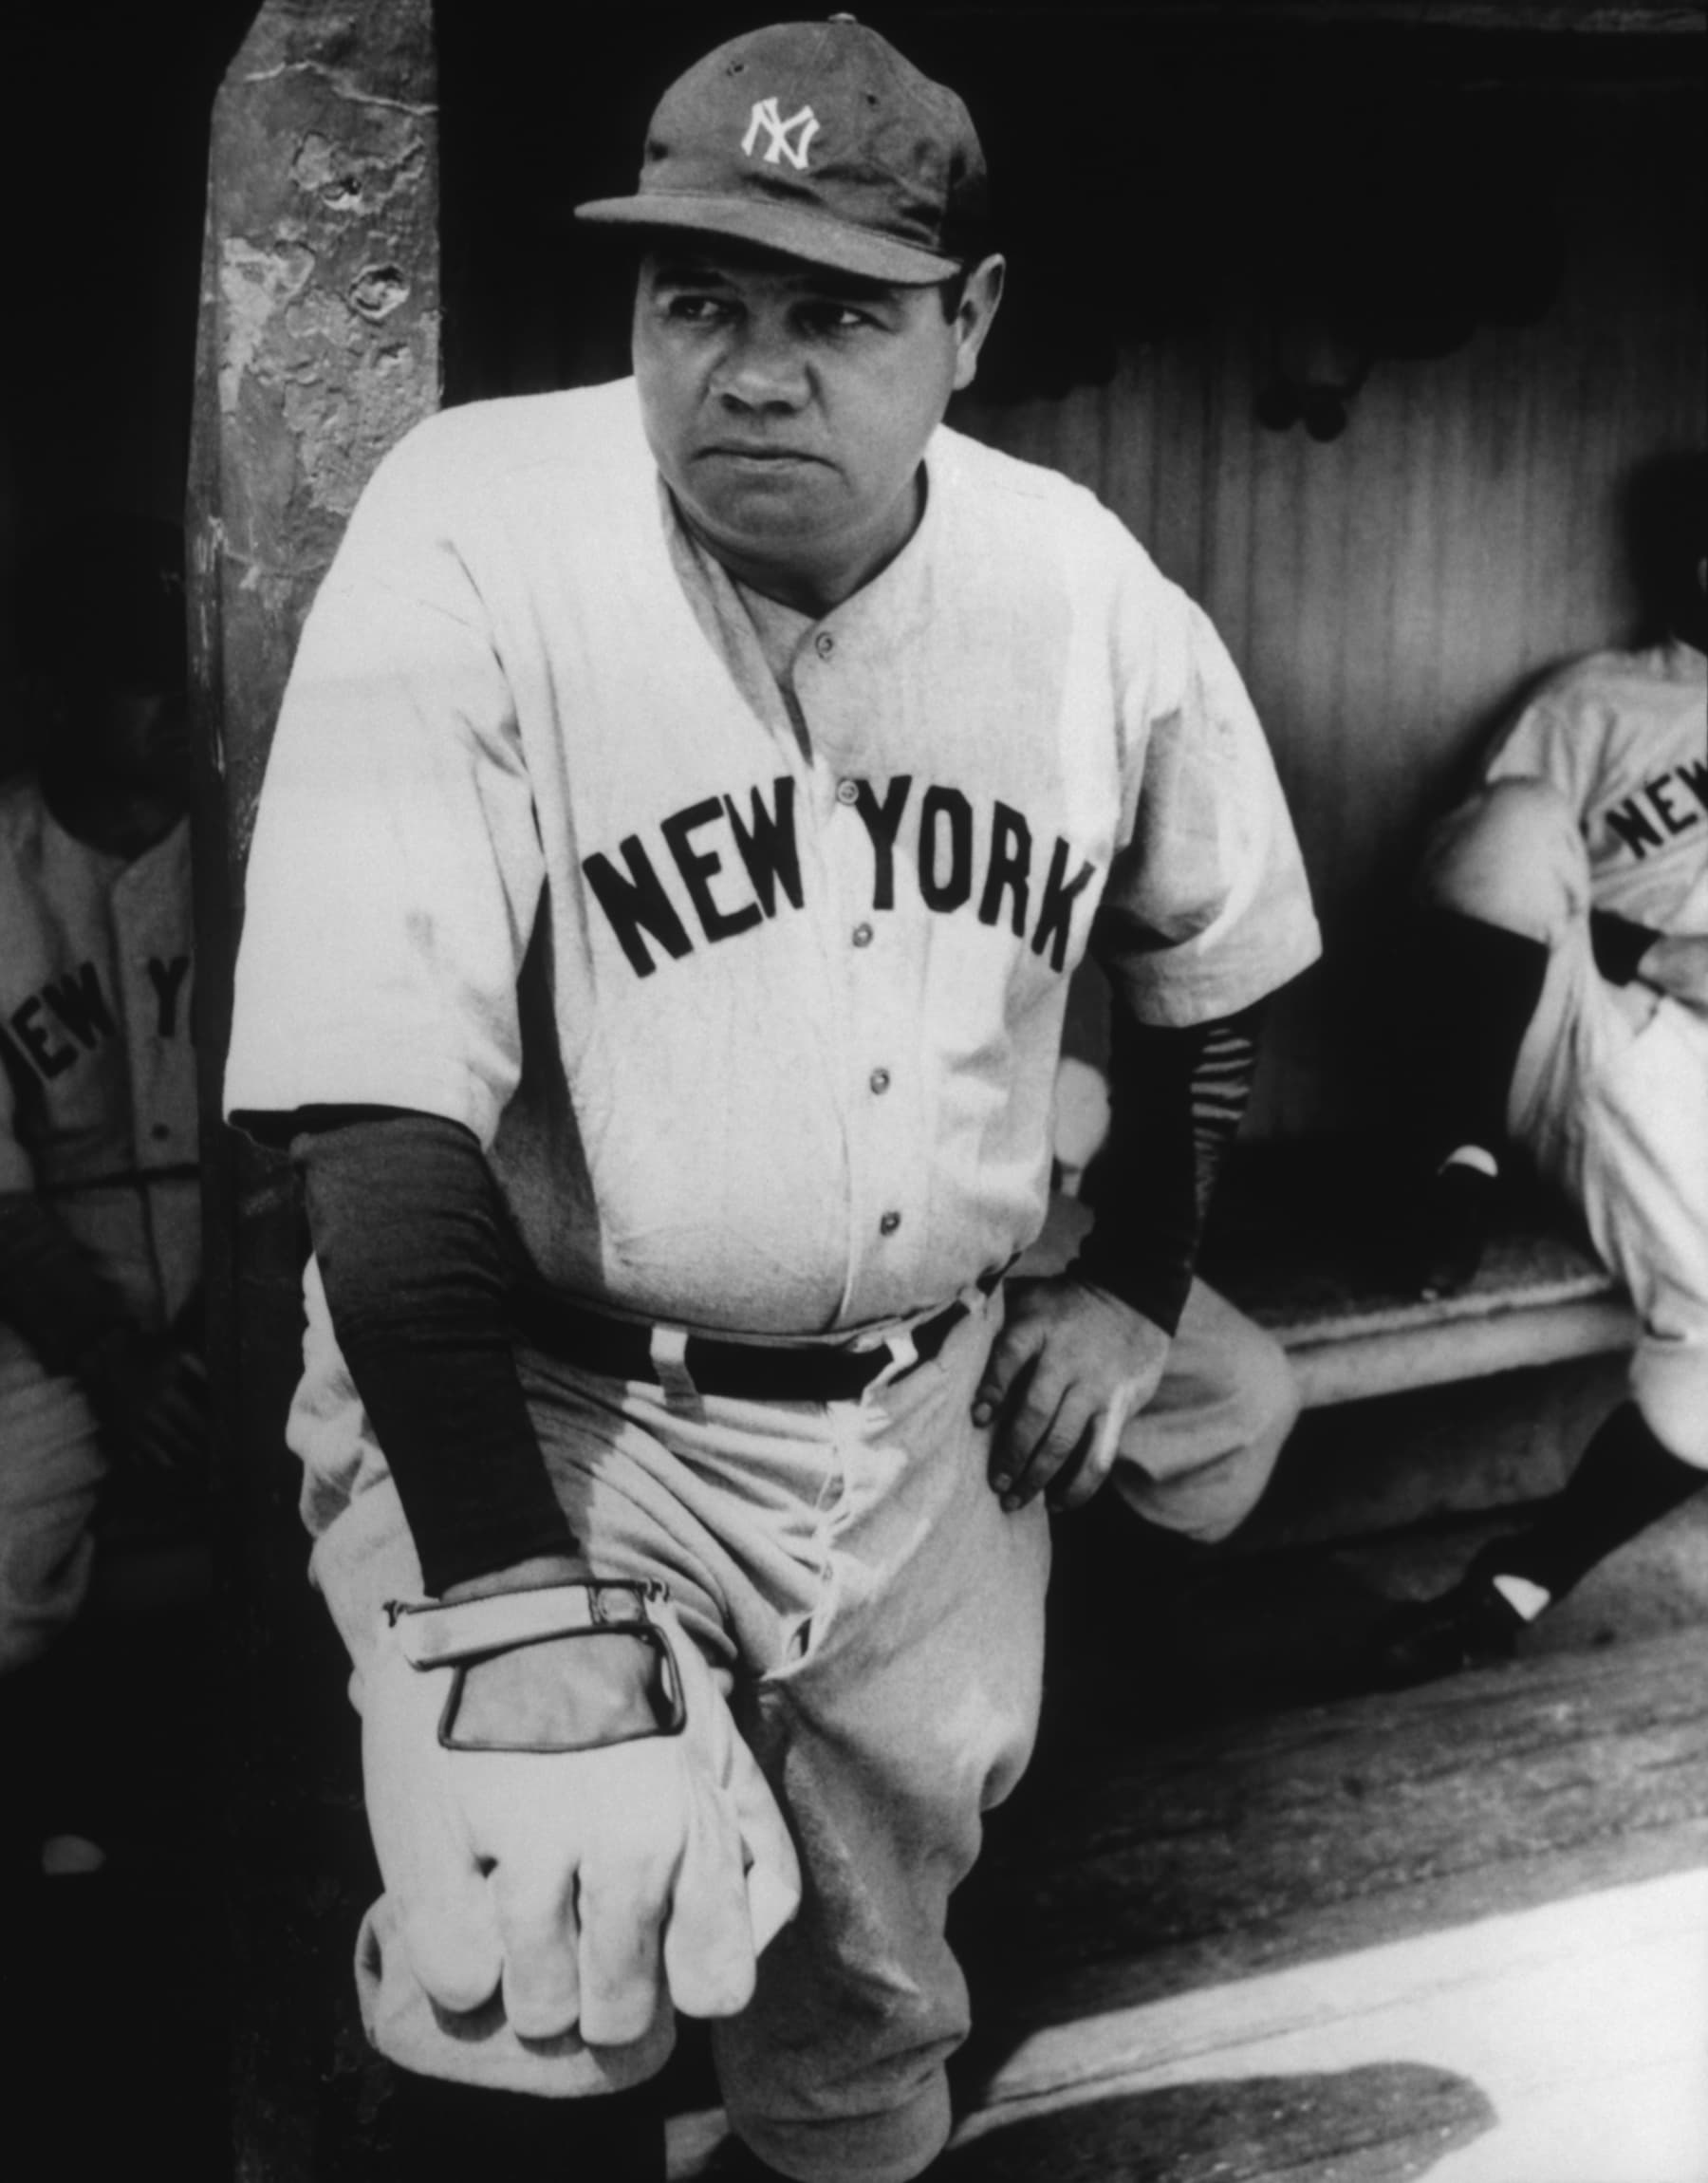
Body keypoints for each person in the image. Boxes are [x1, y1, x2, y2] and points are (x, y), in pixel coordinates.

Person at [222, 21, 1320, 2181]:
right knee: (539, 1962)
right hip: (554, 1397)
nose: (751, 366)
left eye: (836, 309)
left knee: (869, 2019)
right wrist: (514, 1601)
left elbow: (1214, 967)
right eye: (697, 296)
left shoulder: (1077, 581)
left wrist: (1137, 1285)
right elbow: (375, 1108)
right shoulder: (477, 523)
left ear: (969, 326)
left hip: (921, 1432)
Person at [1372, 451, 1707, 1687]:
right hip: (1591, 1015)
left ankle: (1510, 1585)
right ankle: (1458, 1157)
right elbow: (1480, 887)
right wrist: (1662, 950)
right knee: (1515, 819)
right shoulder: (1597, 699)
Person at [0, 517, 203, 1876]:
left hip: (266, 1294)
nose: (168, 704)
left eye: (179, 668)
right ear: (58, 692)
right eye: (136, 674)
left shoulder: (258, 840)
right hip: (60, 1320)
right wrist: (120, 1363)